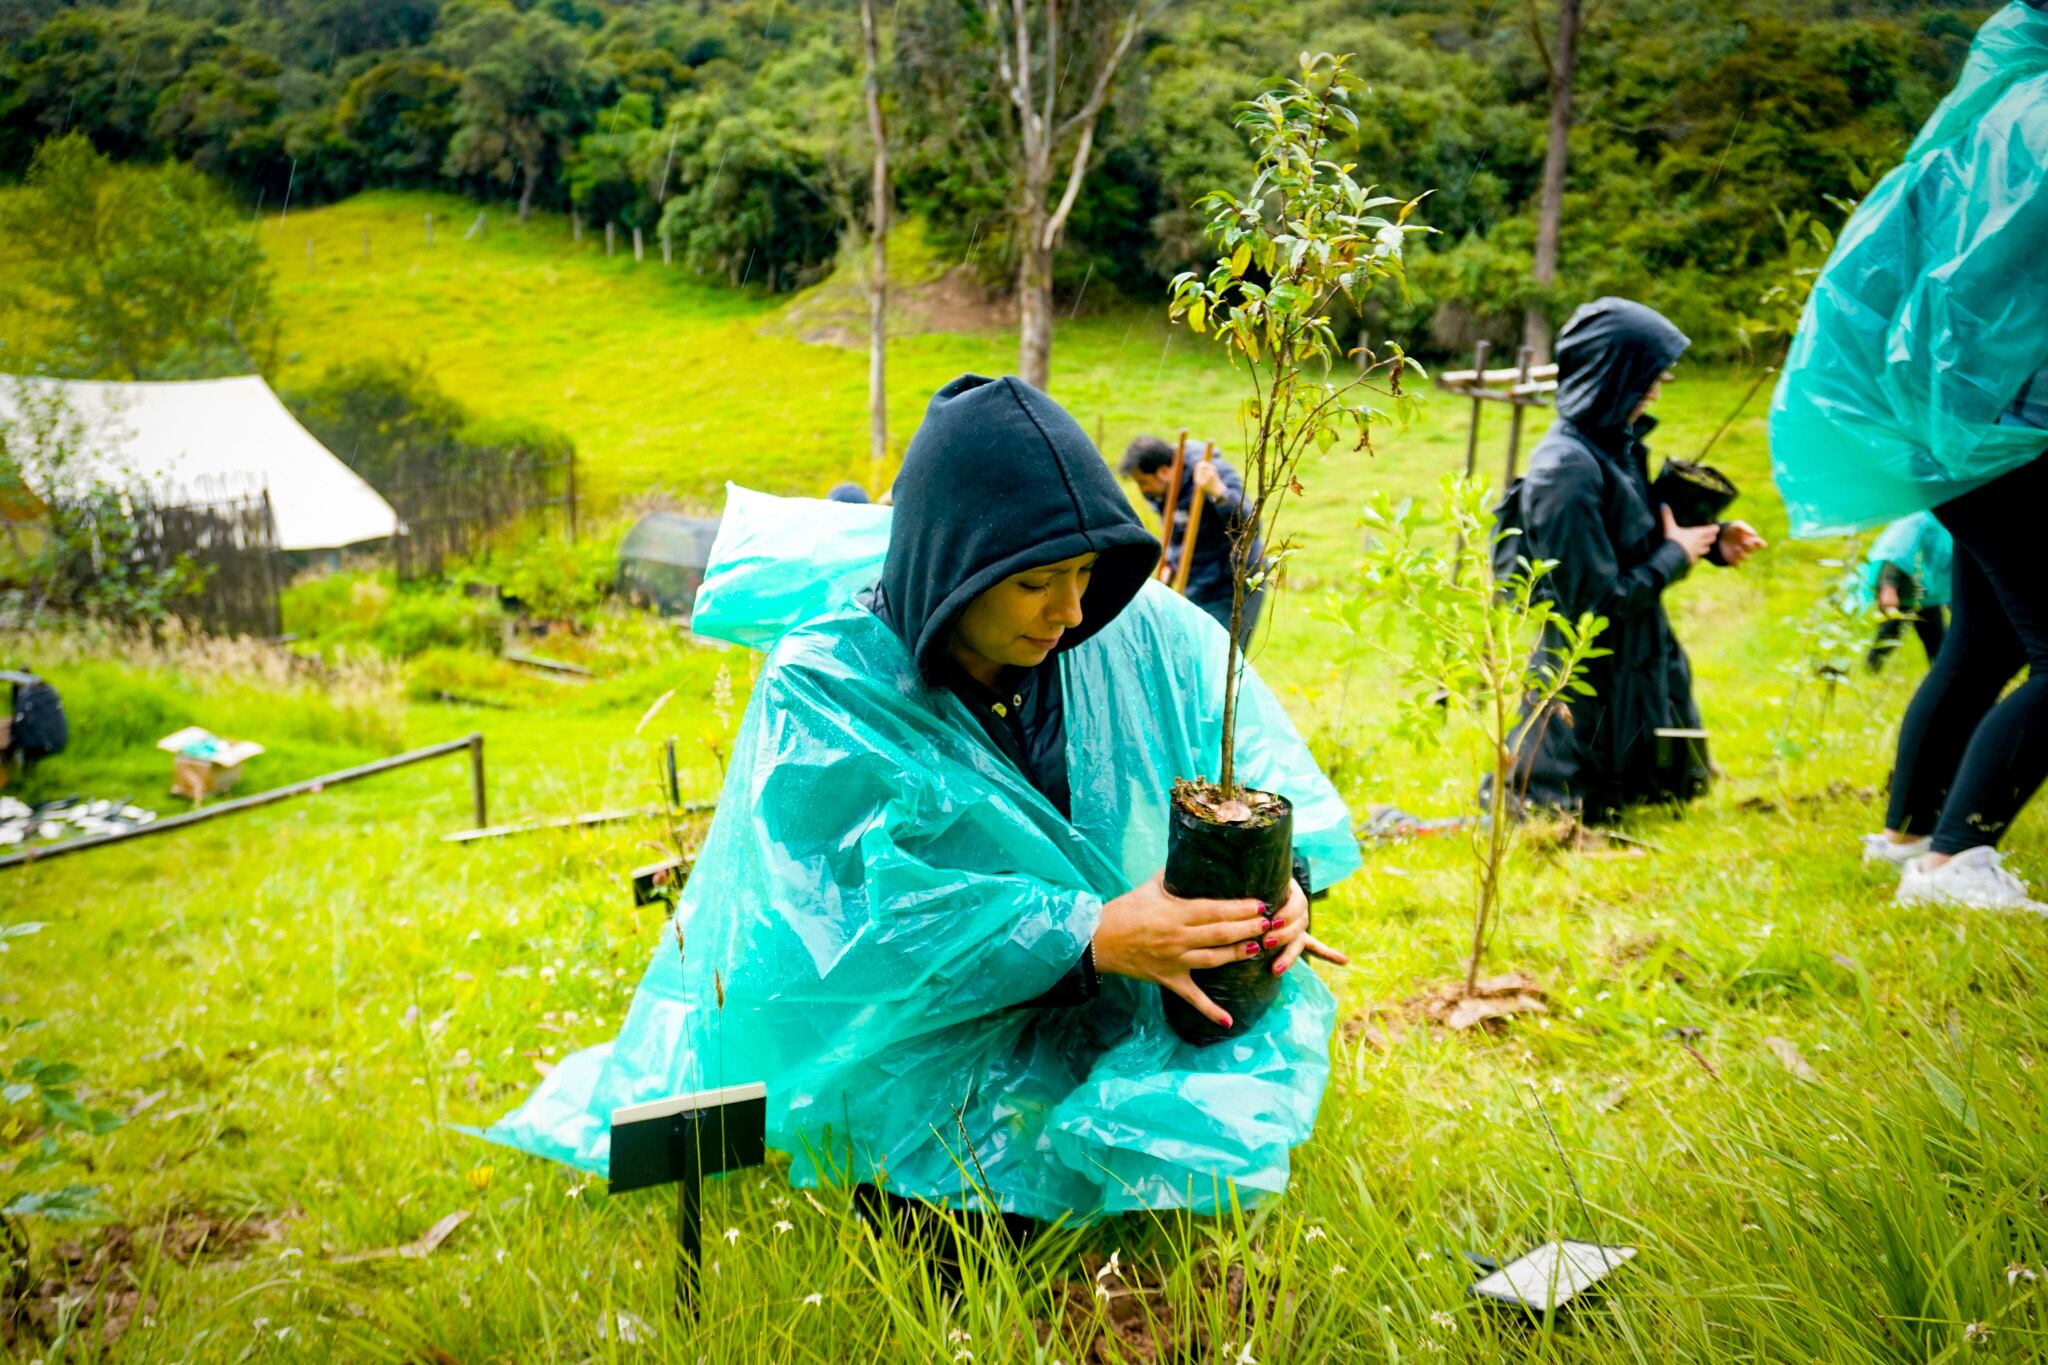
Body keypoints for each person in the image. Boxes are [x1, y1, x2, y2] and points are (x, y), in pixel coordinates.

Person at [482, 374, 1358, 1229]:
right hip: (923, 1042)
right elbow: (840, 930)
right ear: (956, 564)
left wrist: (1284, 884)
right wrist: (1086, 935)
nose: (1070, 607)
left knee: (1181, 1153)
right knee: (958, 1218)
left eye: (1086, 569)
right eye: (1033, 581)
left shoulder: (1131, 633)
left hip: (1125, 1001)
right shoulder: (830, 691)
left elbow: (1242, 762)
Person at [1769, 0, 2048, 911]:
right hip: (2002, 430)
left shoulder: (1997, 112)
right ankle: (1953, 861)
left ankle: (1906, 837)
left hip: (1956, 426)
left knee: (1982, 641)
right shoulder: (2036, 121)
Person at [1496, 298, 1765, 823]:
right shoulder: (1564, 472)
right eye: (1649, 378)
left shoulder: (1612, 445)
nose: (1657, 391)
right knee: (1570, 808)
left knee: (1661, 790)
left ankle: (1643, 786)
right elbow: (1595, 602)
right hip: (1589, 680)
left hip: (1638, 658)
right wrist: (1675, 556)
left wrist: (1712, 541)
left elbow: (1631, 531)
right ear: (1612, 373)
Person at [1119, 436, 1265, 646]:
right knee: (1198, 654)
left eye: (1143, 482)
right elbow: (1177, 531)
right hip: (1200, 582)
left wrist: (1218, 491)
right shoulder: (1161, 493)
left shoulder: (1212, 471)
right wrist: (1171, 561)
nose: (1143, 490)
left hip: (1235, 580)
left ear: (1164, 471)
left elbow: (1250, 527)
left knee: (1223, 657)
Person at [1859, 512, 1951, 672]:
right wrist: (1888, 588)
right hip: (1902, 595)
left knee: (1937, 640)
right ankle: (1870, 669)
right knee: (1888, 635)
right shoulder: (1917, 520)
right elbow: (1894, 553)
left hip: (1926, 596)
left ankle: (1943, 673)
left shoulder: (1939, 523)